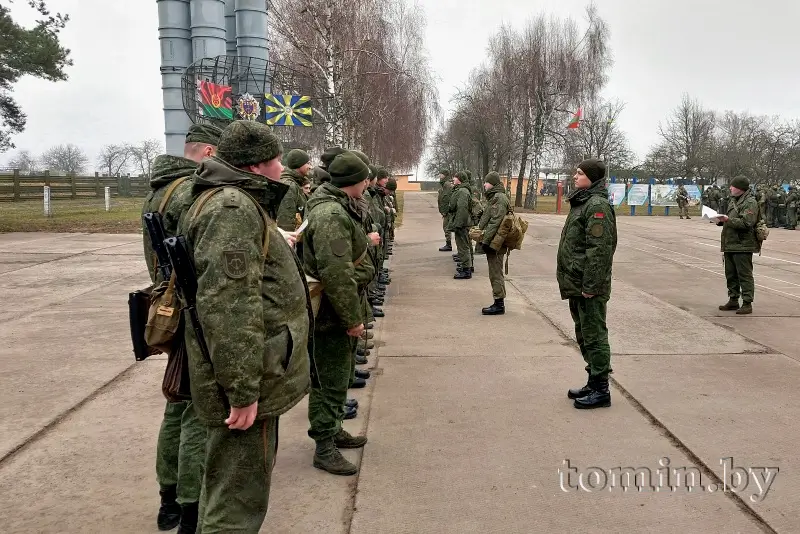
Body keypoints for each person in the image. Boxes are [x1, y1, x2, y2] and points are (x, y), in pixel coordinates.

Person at [176, 120, 312, 533]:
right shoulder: (233, 209)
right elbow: (229, 308)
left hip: (252, 367)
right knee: (236, 502)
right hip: (246, 377)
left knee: (230, 487)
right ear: (256, 166)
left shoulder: (230, 202)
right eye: (274, 161)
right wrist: (242, 391)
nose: (280, 169)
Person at [141, 122, 222, 534]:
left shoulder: (160, 188)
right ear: (209, 152)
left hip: (168, 309)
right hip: (192, 311)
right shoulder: (190, 191)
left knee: (175, 404)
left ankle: (167, 498)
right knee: (195, 411)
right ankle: (191, 505)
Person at [303, 151, 371, 476]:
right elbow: (337, 273)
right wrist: (353, 319)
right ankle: (323, 446)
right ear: (353, 182)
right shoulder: (331, 214)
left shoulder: (337, 206)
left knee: (339, 375)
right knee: (329, 379)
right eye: (365, 177)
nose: (368, 182)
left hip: (336, 310)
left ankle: (334, 429)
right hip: (331, 313)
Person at [557, 158, 617, 410]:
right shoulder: (583, 202)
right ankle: (593, 380)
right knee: (583, 333)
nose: (575, 176)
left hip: (588, 285)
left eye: (580, 173)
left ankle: (601, 389)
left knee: (594, 335)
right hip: (577, 281)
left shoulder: (597, 205)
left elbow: (600, 250)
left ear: (592, 177)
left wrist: (590, 285)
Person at [717, 175, 759, 315]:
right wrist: (721, 221)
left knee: (744, 275)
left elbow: (747, 223)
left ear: (740, 188)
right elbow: (732, 220)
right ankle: (733, 299)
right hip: (730, 243)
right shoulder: (733, 200)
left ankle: (747, 303)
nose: (730, 188)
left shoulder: (750, 202)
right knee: (731, 274)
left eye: (733, 186)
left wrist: (728, 220)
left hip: (743, 244)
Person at [478, 172, 510, 315]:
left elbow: (495, 222)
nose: (484, 184)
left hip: (496, 242)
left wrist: (486, 241)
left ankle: (499, 304)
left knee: (496, 272)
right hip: (494, 241)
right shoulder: (495, 197)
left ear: (493, 184)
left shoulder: (499, 198)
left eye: (487, 182)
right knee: (495, 272)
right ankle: (498, 301)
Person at [276, 148, 312, 231]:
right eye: (308, 163)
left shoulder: (295, 183)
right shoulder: (290, 185)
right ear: (299, 165)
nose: (310, 167)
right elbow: (285, 220)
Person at [448, 171, 474, 279]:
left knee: (463, 247)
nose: (453, 179)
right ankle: (465, 267)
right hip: (461, 223)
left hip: (462, 224)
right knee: (462, 246)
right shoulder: (461, 190)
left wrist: (458, 224)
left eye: (455, 177)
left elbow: (462, 209)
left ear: (460, 179)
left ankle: (466, 270)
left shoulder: (463, 191)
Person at [437, 170, 454, 251]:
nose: (440, 175)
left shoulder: (448, 185)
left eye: (441, 174)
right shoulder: (443, 185)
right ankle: (448, 244)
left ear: (445, 175)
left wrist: (446, 211)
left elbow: (448, 199)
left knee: (447, 228)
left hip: (448, 211)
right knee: (446, 227)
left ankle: (449, 245)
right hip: (445, 211)